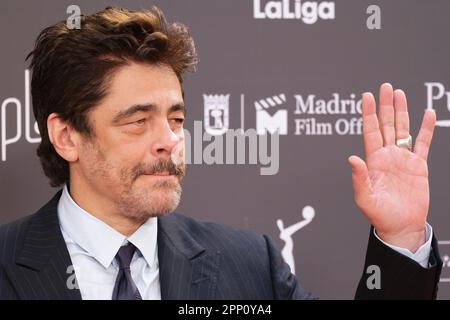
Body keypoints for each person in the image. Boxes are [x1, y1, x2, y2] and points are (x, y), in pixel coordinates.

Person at [0, 6, 443, 300]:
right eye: (137, 121)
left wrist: (401, 238)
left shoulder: (250, 265)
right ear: (66, 136)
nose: (168, 140)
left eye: (175, 119)